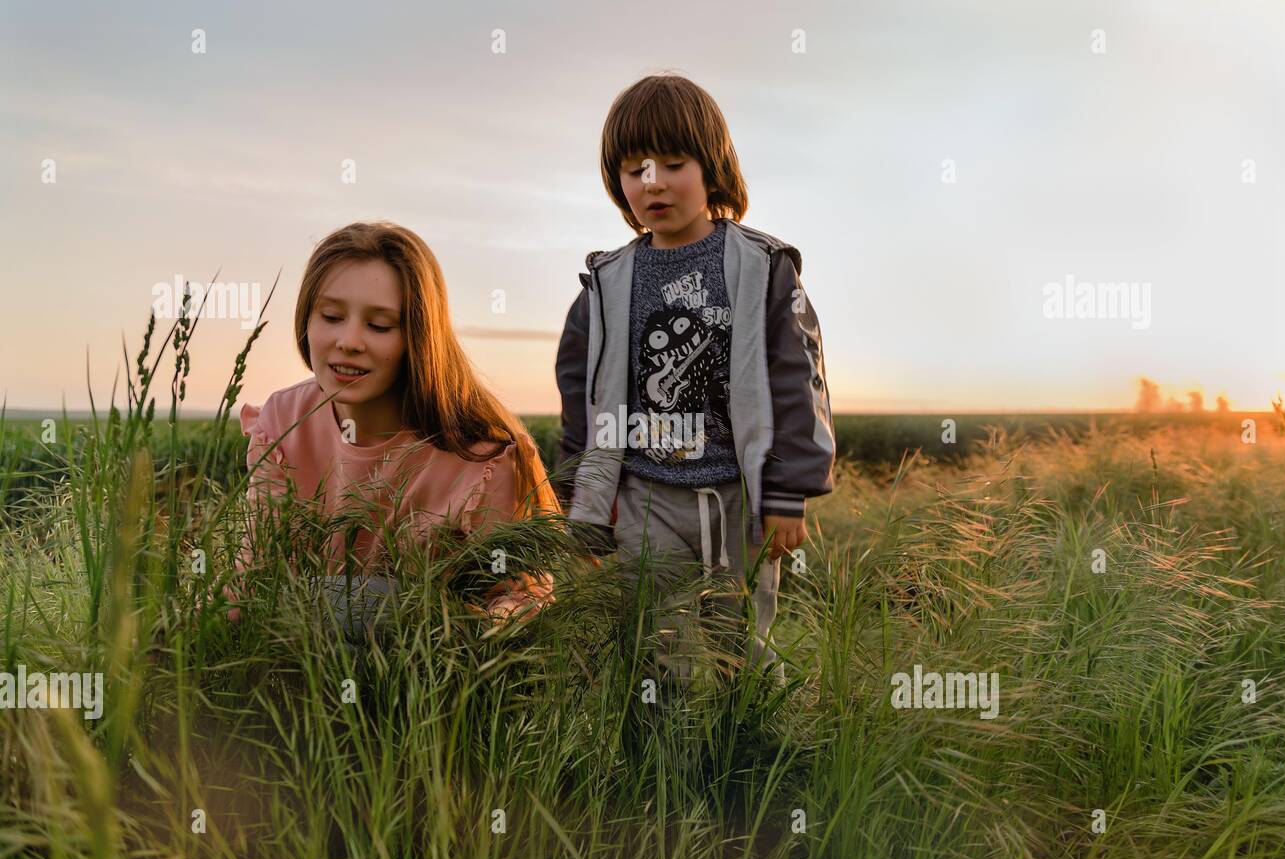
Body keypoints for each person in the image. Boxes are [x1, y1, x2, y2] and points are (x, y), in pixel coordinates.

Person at [554, 74, 836, 685]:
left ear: (712, 168)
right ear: (617, 182)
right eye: (634, 169)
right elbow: (581, 394)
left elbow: (798, 377)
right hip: (644, 494)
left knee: (740, 639)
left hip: (737, 495)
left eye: (673, 163)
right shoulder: (606, 285)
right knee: (655, 638)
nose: (652, 182)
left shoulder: (761, 267)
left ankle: (752, 744)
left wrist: (788, 492)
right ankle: (665, 755)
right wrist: (584, 496)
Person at [226, 221, 558, 638]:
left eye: (380, 326)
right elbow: (252, 573)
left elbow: (522, 596)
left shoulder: (484, 456)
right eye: (330, 316)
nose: (348, 340)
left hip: (431, 669)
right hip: (298, 657)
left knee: (352, 603)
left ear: (418, 338)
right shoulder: (282, 420)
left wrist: (467, 629)